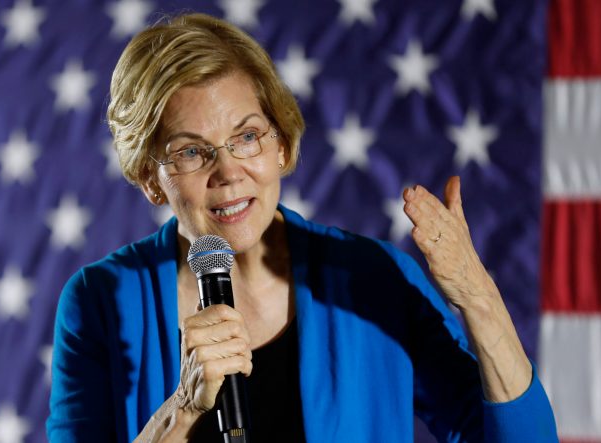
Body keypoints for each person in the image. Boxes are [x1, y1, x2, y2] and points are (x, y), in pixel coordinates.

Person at [47, 12, 558, 443]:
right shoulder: (99, 300)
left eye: (247, 136)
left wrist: (478, 298)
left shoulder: (376, 277)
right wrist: (183, 410)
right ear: (150, 179)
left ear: (281, 144)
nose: (228, 172)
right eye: (190, 152)